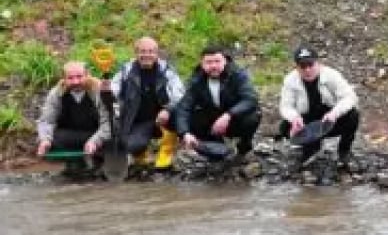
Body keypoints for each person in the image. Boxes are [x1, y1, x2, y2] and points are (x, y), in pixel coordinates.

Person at [173, 45, 261, 160]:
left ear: (224, 61)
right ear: (202, 64)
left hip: (234, 119)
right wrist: (184, 133)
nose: (213, 66)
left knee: (253, 116)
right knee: (179, 115)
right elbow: (184, 107)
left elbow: (251, 99)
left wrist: (228, 115)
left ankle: (244, 144)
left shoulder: (237, 74)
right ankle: (215, 148)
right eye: (209, 62)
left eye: (217, 61)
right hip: (211, 120)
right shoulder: (197, 80)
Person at [110, 37, 184, 169]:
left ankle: (166, 151)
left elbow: (180, 96)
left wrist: (167, 109)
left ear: (157, 53)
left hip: (165, 119)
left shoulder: (167, 71)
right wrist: (107, 92)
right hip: (140, 121)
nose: (146, 55)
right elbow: (113, 91)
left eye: (151, 51)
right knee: (130, 146)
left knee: (177, 111)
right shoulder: (125, 71)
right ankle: (142, 154)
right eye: (142, 51)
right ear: (136, 53)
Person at [279, 46, 360, 165]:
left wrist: (334, 113)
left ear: (318, 63)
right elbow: (285, 106)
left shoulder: (332, 75)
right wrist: (294, 118)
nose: (307, 70)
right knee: (284, 128)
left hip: (330, 120)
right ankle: (311, 148)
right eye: (302, 66)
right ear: (297, 67)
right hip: (307, 121)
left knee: (353, 115)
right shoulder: (290, 81)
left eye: (310, 65)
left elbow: (350, 97)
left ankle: (344, 151)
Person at [35, 61, 111, 162]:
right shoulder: (56, 93)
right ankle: (74, 163)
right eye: (70, 78)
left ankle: (98, 160)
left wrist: (95, 141)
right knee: (46, 139)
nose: (76, 82)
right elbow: (47, 121)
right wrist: (45, 140)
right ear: (64, 79)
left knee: (113, 138)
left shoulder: (100, 91)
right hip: (70, 134)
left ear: (87, 75)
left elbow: (108, 122)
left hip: (96, 133)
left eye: (79, 77)